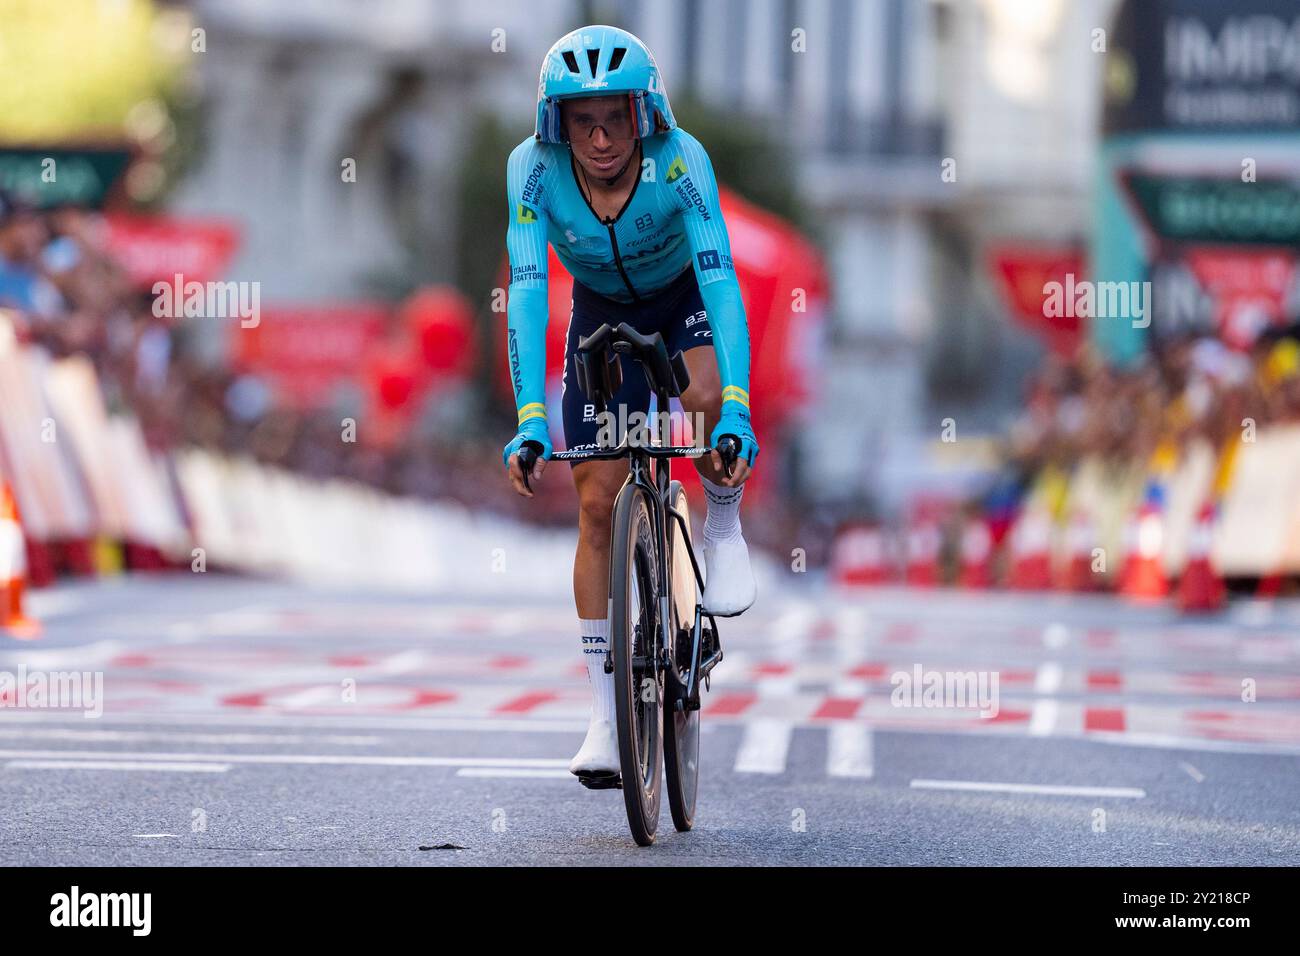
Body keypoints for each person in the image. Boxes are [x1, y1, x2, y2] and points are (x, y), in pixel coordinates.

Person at [501, 25, 759, 780]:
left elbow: (721, 281)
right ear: (558, 125)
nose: (603, 138)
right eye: (584, 122)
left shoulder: (682, 161)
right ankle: (606, 714)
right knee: (595, 499)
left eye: (615, 117)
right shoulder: (530, 170)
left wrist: (736, 408)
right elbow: (524, 292)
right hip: (601, 313)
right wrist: (527, 417)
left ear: (644, 113)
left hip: (683, 302)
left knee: (707, 399)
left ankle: (722, 517)